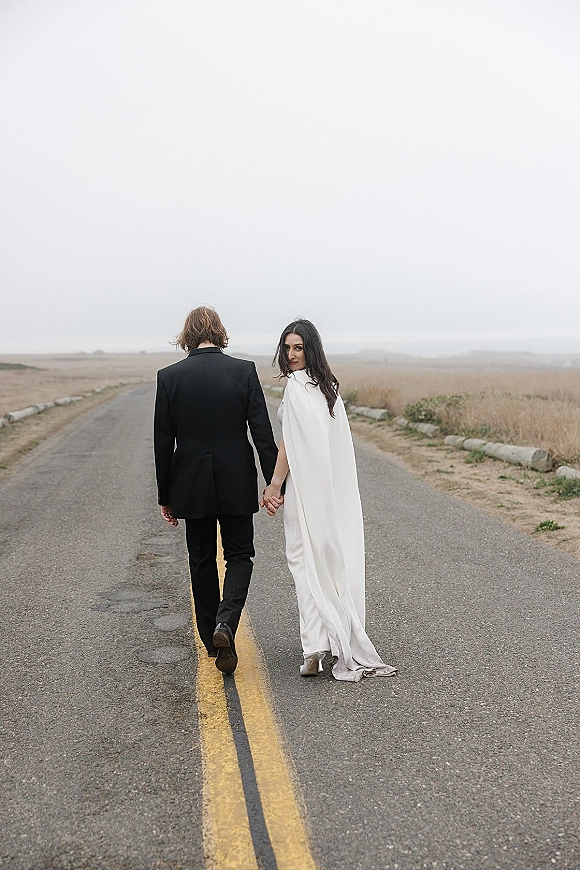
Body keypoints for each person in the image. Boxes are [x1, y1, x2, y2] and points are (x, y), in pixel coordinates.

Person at [261, 319, 397, 682]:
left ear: (311, 349)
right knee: (329, 561)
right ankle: (325, 641)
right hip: (332, 492)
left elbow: (290, 445)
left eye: (298, 348)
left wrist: (275, 485)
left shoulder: (298, 390)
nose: (291, 355)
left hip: (310, 492)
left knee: (304, 560)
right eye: (287, 347)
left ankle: (314, 647)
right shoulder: (328, 388)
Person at [154, 306, 278, 674]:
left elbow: (163, 443)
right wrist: (273, 482)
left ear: (187, 335)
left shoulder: (169, 377)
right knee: (240, 556)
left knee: (202, 561)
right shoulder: (243, 371)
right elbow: (262, 433)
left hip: (191, 484)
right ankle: (227, 621)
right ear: (220, 331)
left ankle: (212, 640)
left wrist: (166, 496)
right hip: (236, 479)